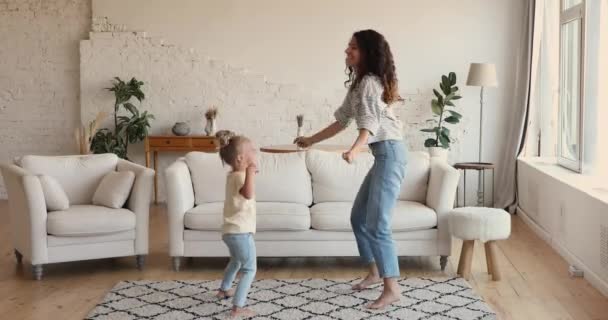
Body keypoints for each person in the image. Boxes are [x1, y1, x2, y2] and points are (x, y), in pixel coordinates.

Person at [294, 29, 407, 309]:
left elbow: (369, 122)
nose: (347, 51)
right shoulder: (358, 85)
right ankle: (374, 271)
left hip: (391, 153)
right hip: (383, 155)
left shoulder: (370, 83)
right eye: (348, 46)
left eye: (353, 47)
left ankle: (392, 288)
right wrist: (310, 139)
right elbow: (342, 121)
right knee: (358, 217)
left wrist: (356, 149)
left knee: (378, 223)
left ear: (367, 52)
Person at [215, 130, 258, 319]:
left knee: (236, 261)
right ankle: (237, 308)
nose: (255, 153)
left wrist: (248, 172)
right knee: (249, 268)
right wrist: (250, 173)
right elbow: (248, 194)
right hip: (241, 232)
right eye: (252, 151)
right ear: (241, 158)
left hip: (230, 231)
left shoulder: (232, 175)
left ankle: (224, 289)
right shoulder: (241, 176)